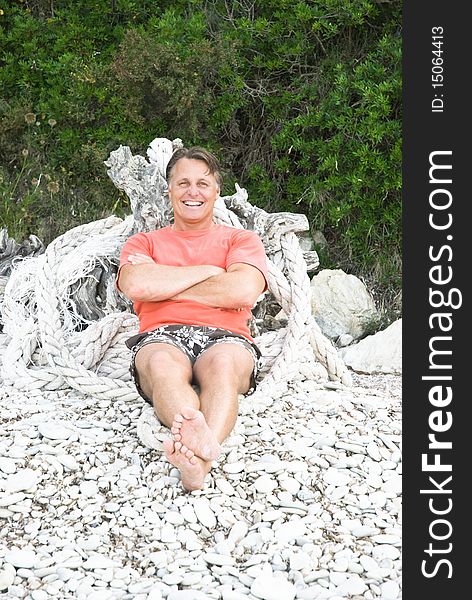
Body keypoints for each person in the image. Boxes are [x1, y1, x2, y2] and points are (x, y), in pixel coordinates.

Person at [117, 147, 269, 491]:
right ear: (169, 190)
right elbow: (136, 283)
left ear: (216, 191)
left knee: (224, 366)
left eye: (203, 183)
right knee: (160, 363)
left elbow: (243, 291)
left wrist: (165, 286)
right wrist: (208, 272)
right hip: (162, 335)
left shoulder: (239, 239)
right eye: (183, 183)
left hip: (226, 335)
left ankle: (199, 458)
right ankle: (198, 446)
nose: (193, 191)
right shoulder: (145, 241)